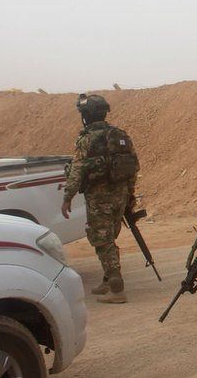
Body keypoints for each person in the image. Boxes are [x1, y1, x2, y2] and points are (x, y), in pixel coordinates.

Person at [62, 94, 139, 304]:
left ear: (87, 115)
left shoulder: (86, 139)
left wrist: (67, 196)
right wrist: (129, 195)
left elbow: (77, 170)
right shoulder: (120, 135)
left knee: (102, 240)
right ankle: (107, 280)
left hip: (99, 198)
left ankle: (117, 288)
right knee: (109, 238)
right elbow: (132, 166)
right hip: (120, 196)